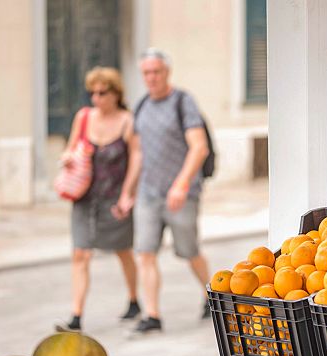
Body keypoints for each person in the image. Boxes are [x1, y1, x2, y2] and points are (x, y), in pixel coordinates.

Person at [128, 48, 211, 334]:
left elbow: (199, 147)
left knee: (189, 251)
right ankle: (152, 315)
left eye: (156, 72)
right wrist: (128, 190)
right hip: (149, 193)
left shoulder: (182, 102)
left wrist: (181, 183)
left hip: (182, 193)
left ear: (167, 73)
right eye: (146, 73)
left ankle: (210, 296)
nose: (151, 78)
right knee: (145, 253)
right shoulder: (141, 106)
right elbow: (137, 154)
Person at [57, 67, 141, 331]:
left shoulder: (128, 121)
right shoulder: (83, 117)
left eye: (102, 93)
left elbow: (137, 159)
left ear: (116, 93)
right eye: (92, 93)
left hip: (114, 199)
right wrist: (67, 158)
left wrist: (128, 194)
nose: (96, 98)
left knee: (123, 251)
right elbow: (71, 148)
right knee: (80, 253)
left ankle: (134, 299)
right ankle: (76, 315)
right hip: (84, 199)